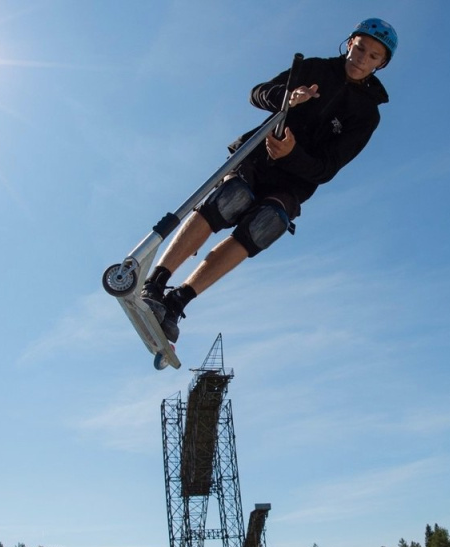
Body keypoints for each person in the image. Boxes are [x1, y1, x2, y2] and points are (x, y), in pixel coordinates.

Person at [141, 18, 396, 342]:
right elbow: (257, 94)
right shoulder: (315, 68)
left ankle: (177, 303)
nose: (362, 59)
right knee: (230, 198)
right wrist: (286, 98)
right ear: (349, 43)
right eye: (360, 48)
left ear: (382, 63)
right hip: (257, 157)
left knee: (267, 224)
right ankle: (155, 285)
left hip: (294, 181)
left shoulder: (366, 114)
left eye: (373, 56)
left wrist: (291, 154)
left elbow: (328, 168)